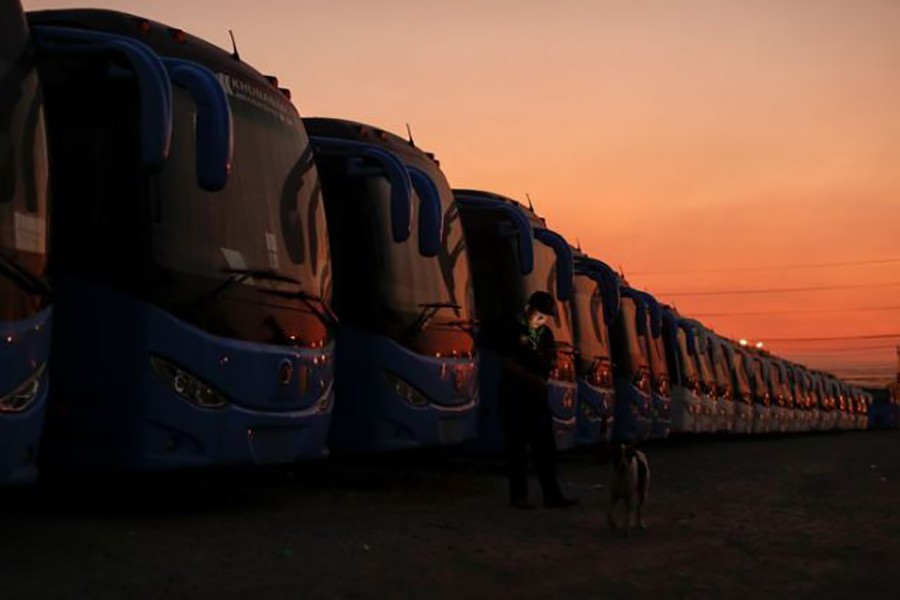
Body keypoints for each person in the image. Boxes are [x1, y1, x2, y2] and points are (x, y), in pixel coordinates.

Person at [498, 290, 577, 509]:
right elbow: (507, 363)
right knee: (517, 449)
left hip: (537, 399)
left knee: (545, 448)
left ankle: (552, 495)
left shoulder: (545, 334)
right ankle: (519, 497)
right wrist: (532, 379)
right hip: (514, 397)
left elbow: (550, 359)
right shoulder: (512, 329)